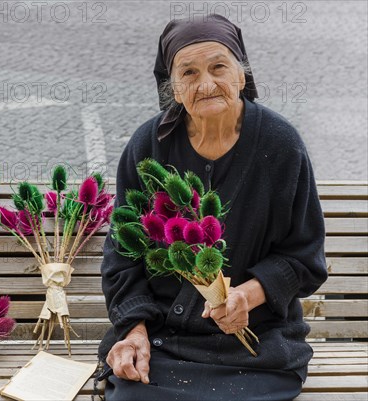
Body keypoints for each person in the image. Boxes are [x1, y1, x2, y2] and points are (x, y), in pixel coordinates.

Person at [98, 14, 328, 401]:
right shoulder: (146, 147)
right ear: (173, 87)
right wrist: (133, 332)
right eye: (188, 72)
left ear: (242, 74)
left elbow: (304, 257)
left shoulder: (282, 144)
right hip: (164, 340)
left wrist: (246, 296)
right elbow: (123, 257)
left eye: (219, 66)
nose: (206, 84)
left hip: (258, 344)